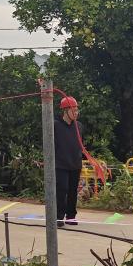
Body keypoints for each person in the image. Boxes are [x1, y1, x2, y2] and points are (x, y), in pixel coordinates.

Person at [54, 96, 83, 226]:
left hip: (75, 164)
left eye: (77, 110)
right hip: (61, 164)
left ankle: (71, 216)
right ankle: (58, 217)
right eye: (73, 110)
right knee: (62, 190)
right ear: (65, 111)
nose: (76, 112)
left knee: (72, 191)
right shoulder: (55, 125)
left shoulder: (79, 126)